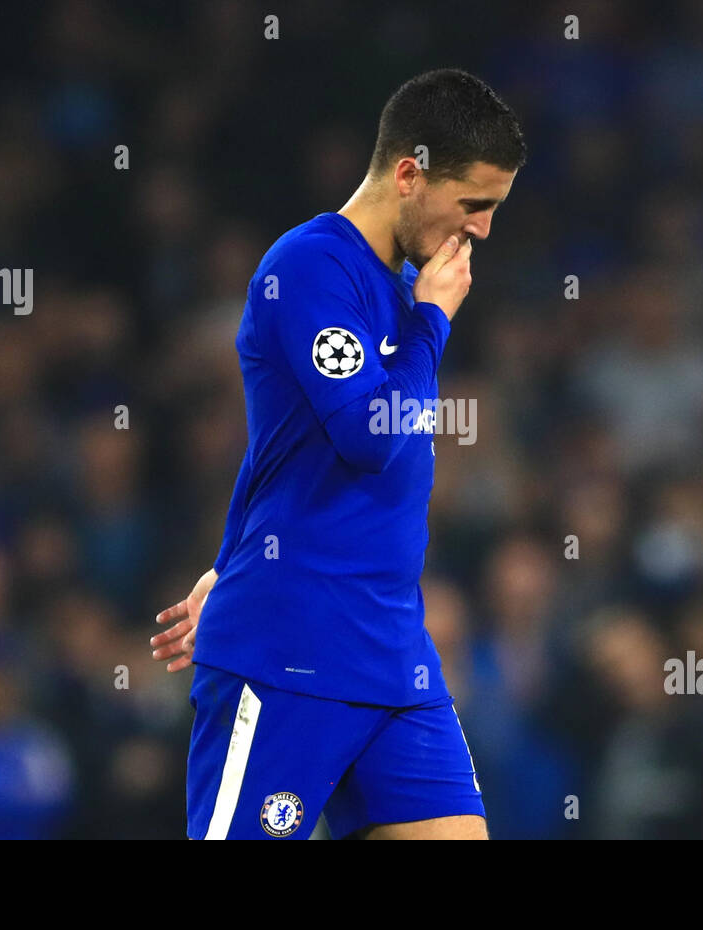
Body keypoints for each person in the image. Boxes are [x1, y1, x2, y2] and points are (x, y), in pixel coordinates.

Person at [149, 68, 524, 839]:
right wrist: (434, 324)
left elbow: (281, 449)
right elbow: (370, 435)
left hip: (393, 657)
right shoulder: (311, 265)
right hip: (289, 654)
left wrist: (235, 557)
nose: (482, 229)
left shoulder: (398, 284)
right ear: (411, 173)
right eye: (474, 204)